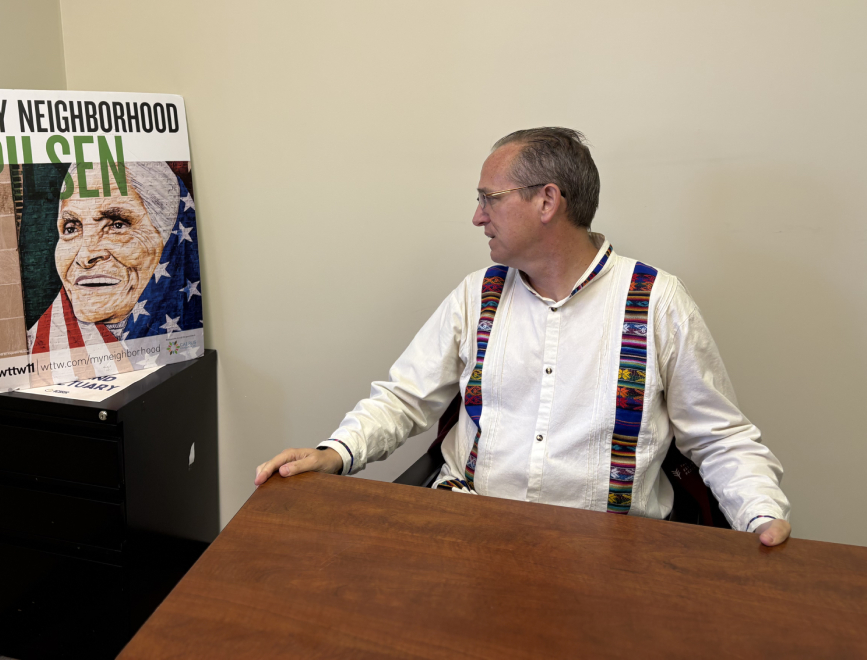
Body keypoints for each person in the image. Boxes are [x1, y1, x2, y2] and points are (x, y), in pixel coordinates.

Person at [255, 127, 792, 547]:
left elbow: (719, 438)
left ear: (547, 201)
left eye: (489, 198)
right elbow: (404, 397)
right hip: (470, 531)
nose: (476, 216)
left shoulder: (656, 301)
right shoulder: (477, 294)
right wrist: (335, 453)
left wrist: (761, 516)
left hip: (615, 550)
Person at [27, 161, 203, 381]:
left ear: (169, 235)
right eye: (71, 228)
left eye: (117, 225)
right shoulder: (28, 352)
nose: (85, 256)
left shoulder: (191, 354)